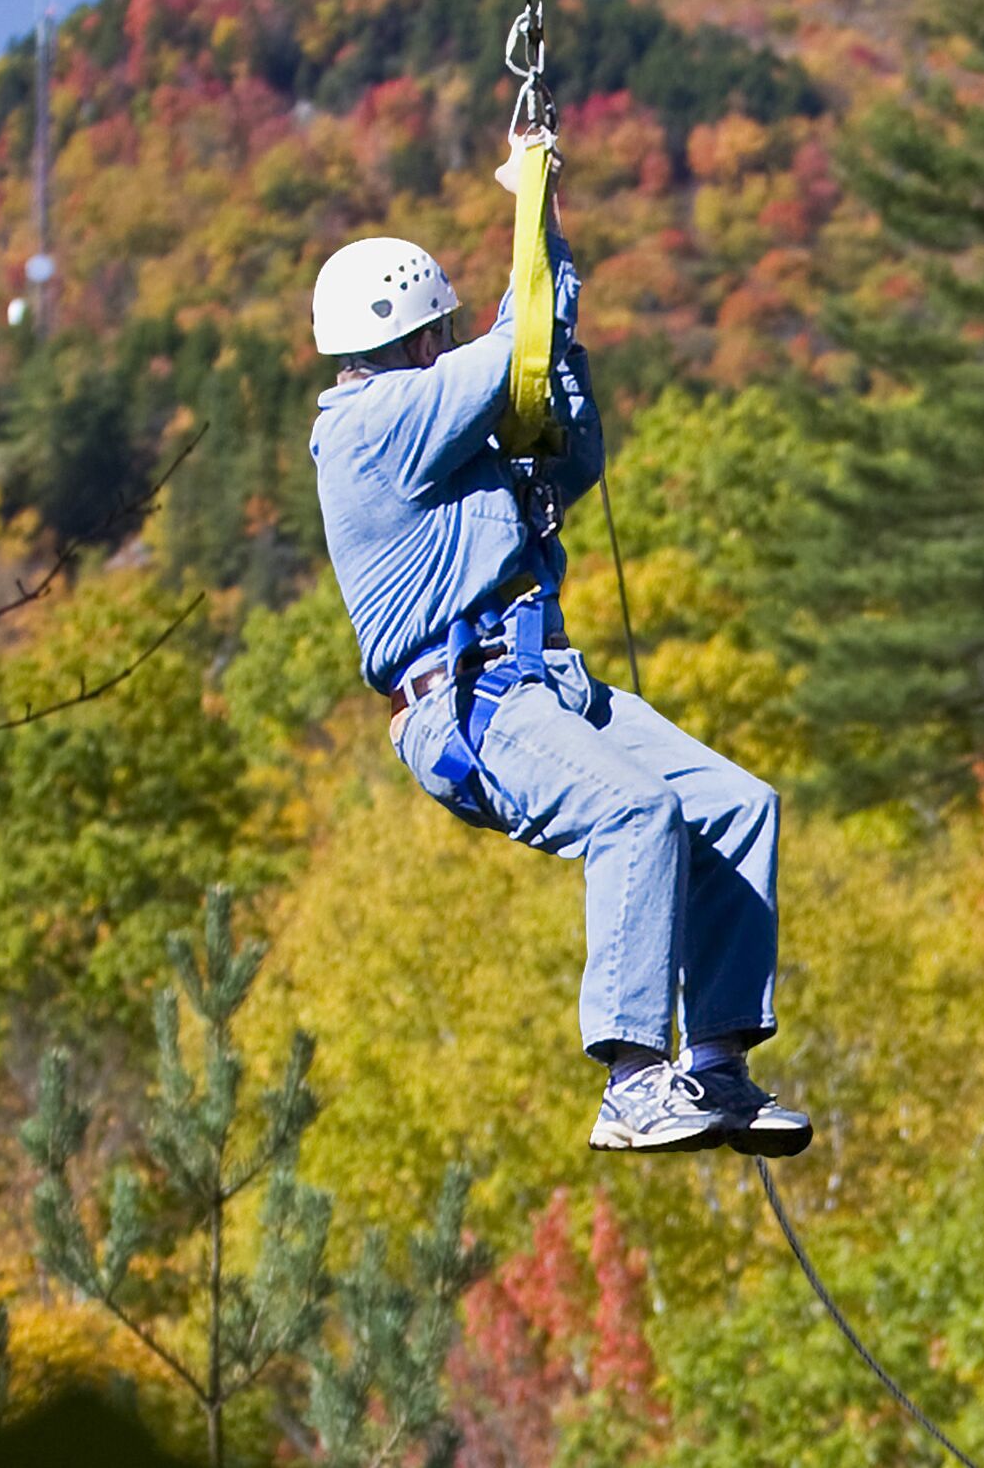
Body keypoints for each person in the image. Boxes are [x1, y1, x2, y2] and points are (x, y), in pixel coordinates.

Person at [306, 158, 808, 1158]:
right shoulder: (371, 429)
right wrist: (534, 199)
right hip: (471, 701)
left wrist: (552, 293)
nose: (444, 343)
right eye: (435, 333)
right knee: (636, 812)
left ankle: (715, 1067)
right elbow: (512, 343)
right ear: (413, 337)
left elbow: (566, 445)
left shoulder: (448, 444)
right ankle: (630, 1082)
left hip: (545, 683)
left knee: (736, 804)